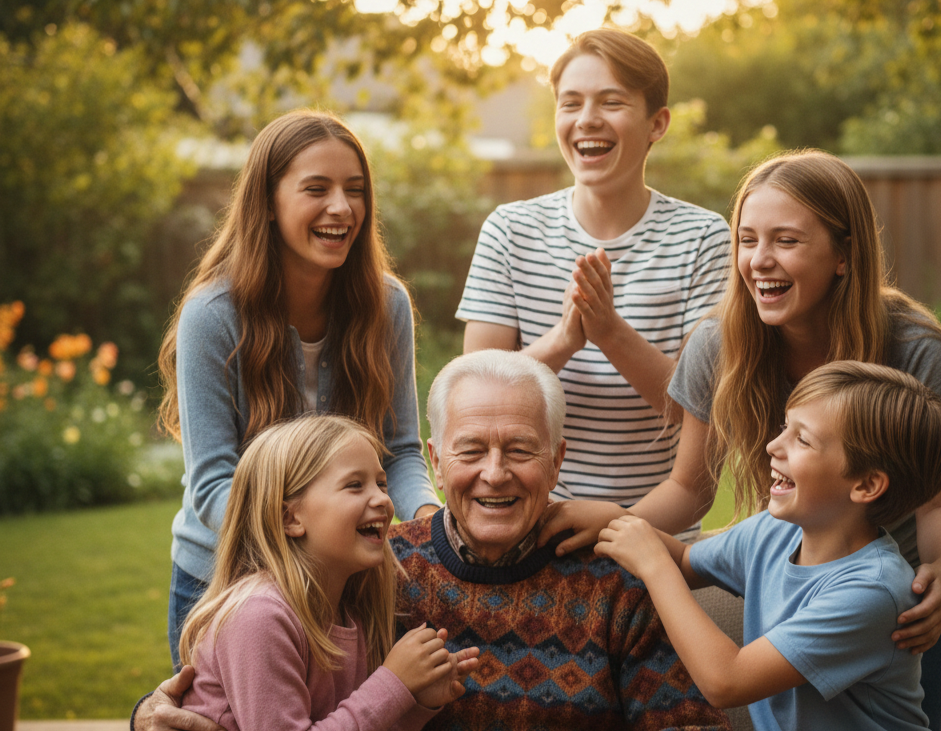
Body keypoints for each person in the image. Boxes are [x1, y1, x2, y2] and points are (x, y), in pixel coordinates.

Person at [542, 150, 941, 729]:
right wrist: (617, 527)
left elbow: (939, 507)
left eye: (786, 241)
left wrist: (938, 576)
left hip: (896, 610)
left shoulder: (913, 345)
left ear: (844, 255)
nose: (758, 261)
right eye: (747, 239)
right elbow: (689, 488)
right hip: (797, 571)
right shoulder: (720, 344)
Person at [130, 350, 729, 731]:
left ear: (556, 461)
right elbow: (236, 686)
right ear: (437, 463)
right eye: (471, 451)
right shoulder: (373, 567)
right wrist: (147, 716)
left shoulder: (617, 579)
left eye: (520, 449)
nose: (495, 473)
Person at [157, 109, 441, 666]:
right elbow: (214, 485)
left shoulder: (387, 306)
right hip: (228, 583)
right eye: (317, 188)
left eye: (355, 190)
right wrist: (321, 544)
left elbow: (401, 449)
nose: (342, 207)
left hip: (350, 586)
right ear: (267, 201)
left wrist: (433, 523)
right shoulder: (213, 316)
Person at [457, 29, 730, 536]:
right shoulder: (510, 230)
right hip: (523, 529)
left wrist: (610, 334)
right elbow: (470, 401)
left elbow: (697, 418)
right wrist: (564, 341)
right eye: (571, 103)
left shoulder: (704, 239)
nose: (587, 120)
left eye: (611, 101)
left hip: (656, 533)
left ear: (657, 123)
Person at [596, 361, 941, 730]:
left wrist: (654, 565)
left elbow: (727, 681)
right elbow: (686, 560)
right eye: (786, 427)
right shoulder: (774, 532)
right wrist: (606, 518)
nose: (773, 445)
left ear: (866, 485)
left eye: (802, 439)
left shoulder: (872, 592)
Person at [176, 415, 479, 731]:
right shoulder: (259, 616)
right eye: (354, 485)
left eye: (381, 483)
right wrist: (393, 684)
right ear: (290, 517)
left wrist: (416, 701)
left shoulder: (347, 611)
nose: (383, 499)